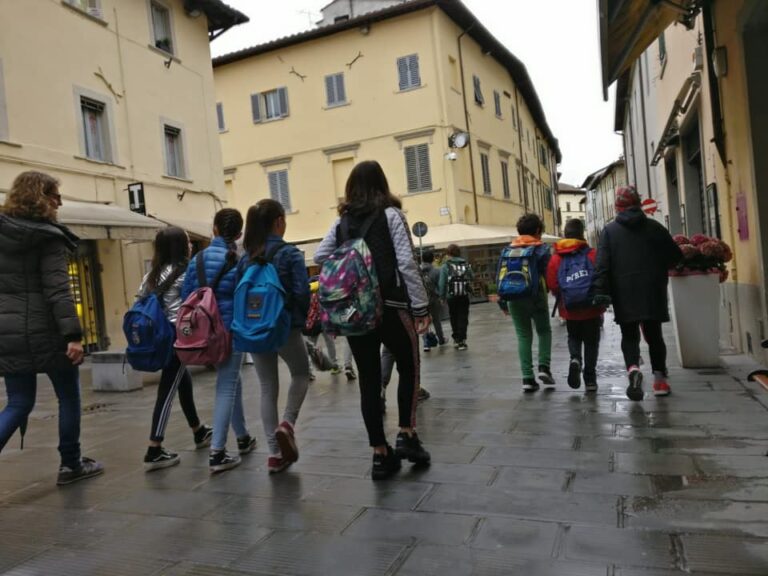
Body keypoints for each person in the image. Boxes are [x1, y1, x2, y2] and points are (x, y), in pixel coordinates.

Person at [315, 160, 431, 481]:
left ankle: (380, 455)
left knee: (368, 379)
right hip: (391, 306)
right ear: (382, 184)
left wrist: (351, 260)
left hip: (357, 313)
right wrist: (421, 307)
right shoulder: (392, 215)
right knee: (409, 366)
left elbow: (319, 256)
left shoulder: (341, 224)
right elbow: (406, 262)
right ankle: (407, 434)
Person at [0, 171, 104, 485]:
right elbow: (59, 290)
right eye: (55, 195)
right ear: (41, 197)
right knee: (68, 397)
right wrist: (73, 336)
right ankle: (71, 464)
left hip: (8, 330)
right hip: (47, 331)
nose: (59, 202)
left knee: (19, 402)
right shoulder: (48, 236)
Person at [181, 208, 257, 474]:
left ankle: (243, 437)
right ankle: (217, 452)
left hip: (205, 333)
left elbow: (186, 296)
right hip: (230, 330)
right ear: (238, 233)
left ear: (213, 228)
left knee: (231, 380)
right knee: (226, 386)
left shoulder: (197, 259)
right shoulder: (239, 260)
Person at [593, 185, 683, 400]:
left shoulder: (609, 231)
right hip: (652, 289)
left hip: (624, 291)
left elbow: (602, 265)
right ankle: (660, 380)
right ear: (639, 203)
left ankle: (633, 368)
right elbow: (675, 256)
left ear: (617, 207)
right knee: (654, 336)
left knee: (629, 335)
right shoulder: (655, 227)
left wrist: (600, 291)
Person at [242, 199, 310, 474]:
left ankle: (273, 453)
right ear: (278, 222)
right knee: (301, 374)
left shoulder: (245, 257)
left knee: (267, 388)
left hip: (254, 329)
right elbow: (302, 291)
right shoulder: (290, 253)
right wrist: (299, 320)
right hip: (284, 327)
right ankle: (288, 423)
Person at [139, 226, 212, 471]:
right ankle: (154, 447)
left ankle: (198, 430)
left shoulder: (153, 273)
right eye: (187, 241)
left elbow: (140, 298)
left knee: (182, 380)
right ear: (181, 246)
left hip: (160, 336)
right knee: (167, 391)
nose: (191, 244)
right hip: (178, 337)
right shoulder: (186, 271)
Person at [546, 219, 605, 393]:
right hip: (592, 308)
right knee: (592, 343)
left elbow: (552, 283)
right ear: (582, 233)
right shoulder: (592, 254)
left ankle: (575, 359)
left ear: (565, 234)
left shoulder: (556, 258)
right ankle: (590, 379)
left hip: (570, 308)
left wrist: (565, 294)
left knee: (574, 337)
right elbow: (601, 277)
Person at [503, 213, 554, 392]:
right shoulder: (541, 249)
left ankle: (527, 378)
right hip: (536, 295)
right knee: (544, 331)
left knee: (523, 336)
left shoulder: (508, 249)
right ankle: (544, 367)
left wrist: (502, 302)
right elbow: (549, 275)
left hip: (513, 297)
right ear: (538, 230)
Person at [438, 244, 473, 350]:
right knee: (463, 317)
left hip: (451, 296)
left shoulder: (445, 266)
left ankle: (456, 340)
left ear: (448, 253)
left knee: (453, 317)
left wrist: (442, 297)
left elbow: (442, 283)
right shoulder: (465, 264)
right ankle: (462, 340)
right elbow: (472, 276)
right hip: (464, 295)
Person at [420, 251, 446, 351]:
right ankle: (441, 339)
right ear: (432, 259)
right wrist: (441, 297)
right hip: (433, 298)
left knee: (423, 321)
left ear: (422, 259)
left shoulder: (418, 271)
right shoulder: (436, 271)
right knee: (436, 320)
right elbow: (440, 286)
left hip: (421, 300)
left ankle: (426, 344)